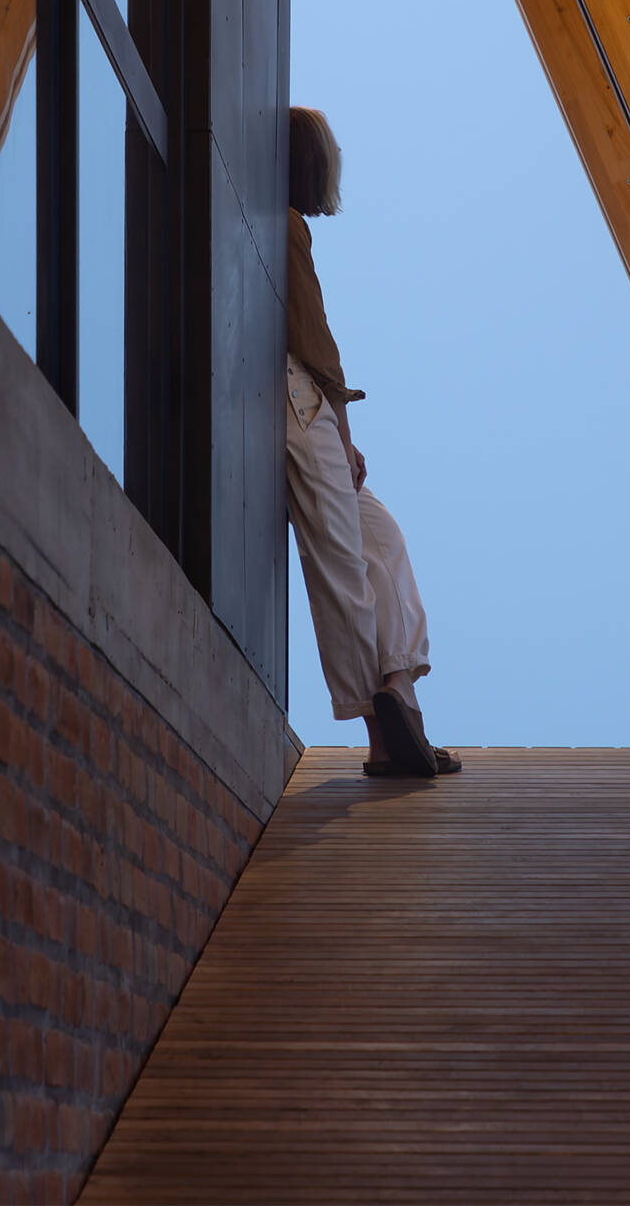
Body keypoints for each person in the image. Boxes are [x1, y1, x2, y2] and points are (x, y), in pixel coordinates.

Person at [284, 106, 459, 780]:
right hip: (301, 402)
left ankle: (399, 695)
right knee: (341, 566)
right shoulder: (287, 226)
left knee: (381, 543)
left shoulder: (285, 228)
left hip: (307, 406)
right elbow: (312, 337)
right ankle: (383, 739)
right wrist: (345, 433)